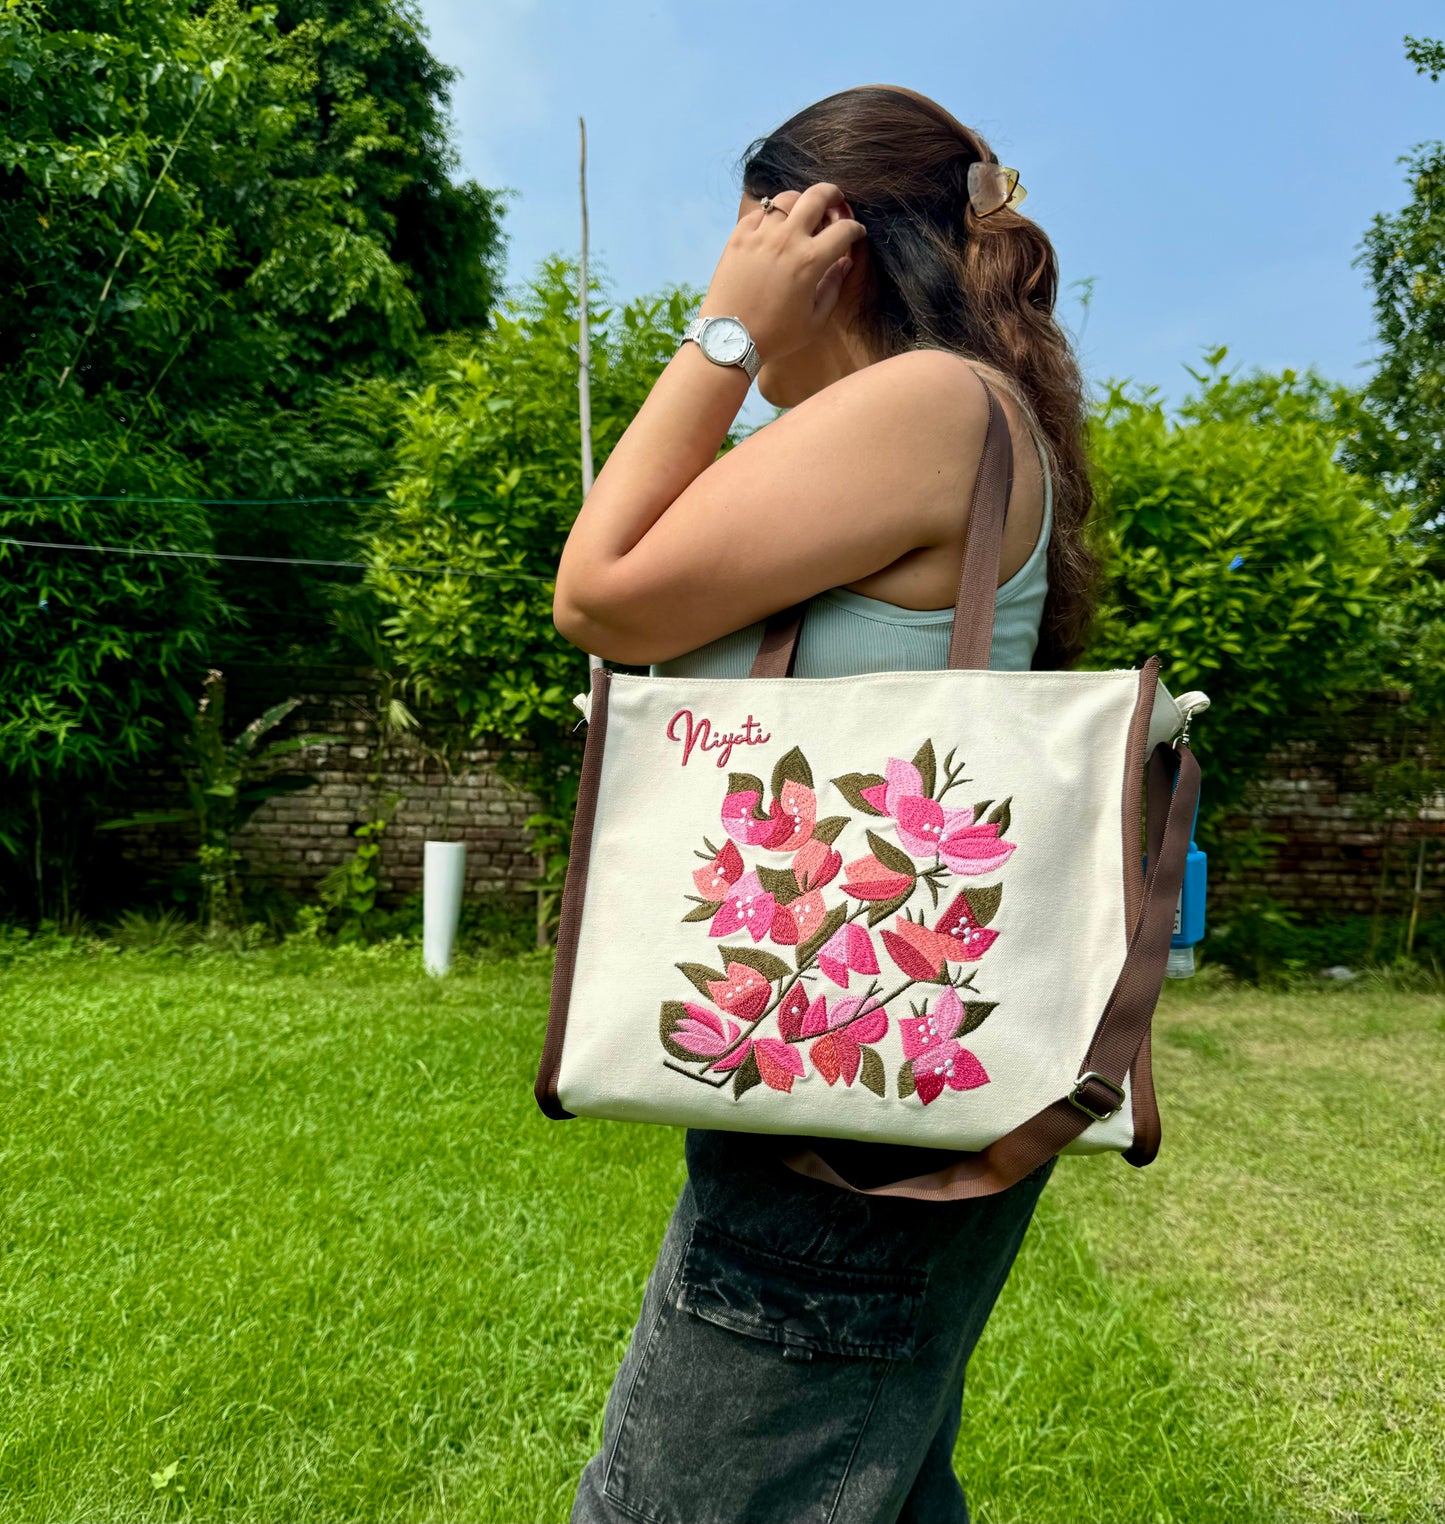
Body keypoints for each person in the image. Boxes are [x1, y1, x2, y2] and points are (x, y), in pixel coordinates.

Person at [552, 83, 1101, 1524]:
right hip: (871, 1079)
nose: (728, 266)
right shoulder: (954, 415)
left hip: (844, 1102)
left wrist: (723, 333)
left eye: (754, 235)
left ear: (828, 247)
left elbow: (599, 595)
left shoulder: (920, 406)